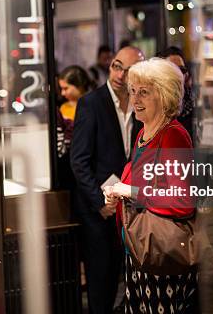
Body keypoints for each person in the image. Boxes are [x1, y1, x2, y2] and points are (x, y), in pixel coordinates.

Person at [104, 58, 200, 314]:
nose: (135, 99)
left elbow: (182, 201)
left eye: (144, 93)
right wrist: (115, 193)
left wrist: (130, 192)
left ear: (165, 95)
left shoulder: (173, 135)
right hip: (141, 252)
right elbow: (134, 182)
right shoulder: (144, 132)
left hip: (162, 257)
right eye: (133, 91)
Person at [71, 46, 145, 314]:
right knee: (101, 285)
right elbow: (78, 161)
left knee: (130, 283)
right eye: (116, 66)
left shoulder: (142, 104)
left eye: (128, 70)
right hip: (100, 212)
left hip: (131, 209)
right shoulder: (91, 103)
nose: (120, 75)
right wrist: (100, 203)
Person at [157, 47, 196, 142]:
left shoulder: (194, 105)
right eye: (172, 71)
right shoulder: (151, 106)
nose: (179, 76)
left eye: (182, 70)